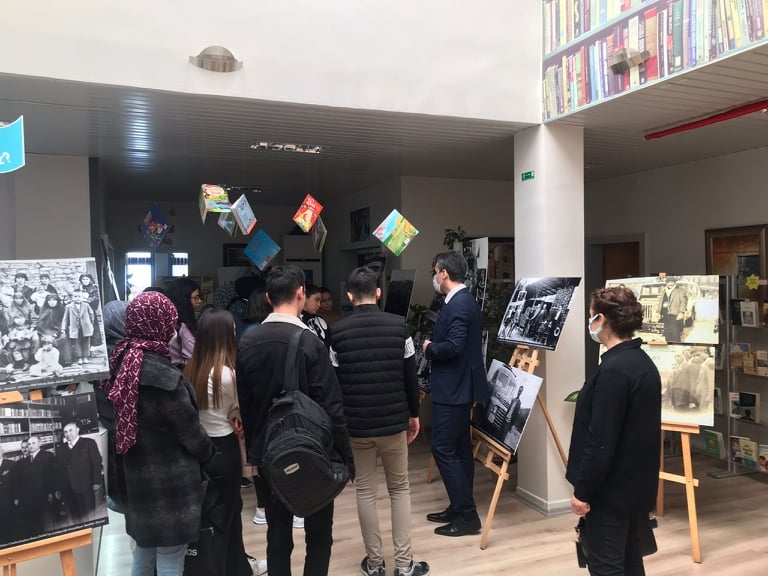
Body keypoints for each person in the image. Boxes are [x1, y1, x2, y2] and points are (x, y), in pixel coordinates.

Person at [236, 264, 354, 576]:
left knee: (277, 535)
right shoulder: (311, 343)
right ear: (301, 293)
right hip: (314, 453)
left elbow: (246, 407)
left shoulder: (247, 343)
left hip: (269, 453)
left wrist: (255, 454)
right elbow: (332, 406)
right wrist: (345, 456)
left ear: (267, 297)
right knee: (318, 536)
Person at [101, 291, 217, 576]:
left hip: (134, 478)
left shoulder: (119, 363)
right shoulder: (164, 376)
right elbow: (191, 433)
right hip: (171, 485)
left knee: (144, 551)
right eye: (171, 323)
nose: (175, 330)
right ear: (160, 325)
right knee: (171, 556)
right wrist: (211, 455)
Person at [330, 267, 429, 576]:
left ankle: (374, 564)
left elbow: (334, 384)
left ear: (349, 296)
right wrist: (414, 414)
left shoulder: (337, 333)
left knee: (365, 491)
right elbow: (410, 376)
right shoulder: (400, 327)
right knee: (399, 489)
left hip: (357, 425)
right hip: (394, 422)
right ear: (378, 292)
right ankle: (404, 564)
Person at [567, 286, 662, 576]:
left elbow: (600, 440)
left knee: (605, 565)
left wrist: (583, 491)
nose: (589, 322)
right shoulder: (642, 363)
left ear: (601, 320)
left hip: (610, 491)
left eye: (591, 316)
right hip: (634, 487)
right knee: (630, 560)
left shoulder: (615, 371)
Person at [184, 308, 267, 576]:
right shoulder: (227, 375)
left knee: (213, 513)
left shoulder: (191, 369)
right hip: (225, 449)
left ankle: (234, 565)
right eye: (232, 329)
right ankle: (233, 567)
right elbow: (240, 411)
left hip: (201, 449)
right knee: (229, 513)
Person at [422, 251, 488, 537]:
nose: (435, 277)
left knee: (442, 448)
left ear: (444, 273)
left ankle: (467, 515)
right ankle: (460, 507)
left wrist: (429, 349)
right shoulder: (460, 300)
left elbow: (454, 346)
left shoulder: (460, 304)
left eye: (436, 272)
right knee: (460, 450)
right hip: (458, 388)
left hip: (454, 390)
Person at [56, 422, 104, 523]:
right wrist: (59, 488)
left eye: (70, 430)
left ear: (77, 430)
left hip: (85, 487)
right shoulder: (61, 448)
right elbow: (58, 470)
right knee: (75, 517)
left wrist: (96, 481)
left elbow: (96, 462)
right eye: (65, 432)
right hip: (68, 489)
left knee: (88, 516)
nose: (68, 434)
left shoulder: (89, 443)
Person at [13, 435, 56, 538]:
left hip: (44, 494)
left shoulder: (48, 456)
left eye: (33, 443)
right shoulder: (26, 460)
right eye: (29, 444)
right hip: (30, 497)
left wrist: (51, 492)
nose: (31, 446)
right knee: (34, 523)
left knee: (46, 522)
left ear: (40, 443)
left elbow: (52, 475)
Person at [166, 277, 202, 368]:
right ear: (183, 299)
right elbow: (196, 357)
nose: (199, 301)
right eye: (196, 298)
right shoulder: (182, 327)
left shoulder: (168, 321)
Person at [61, 290, 95, 365]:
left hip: (85, 327)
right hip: (74, 328)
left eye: (79, 296)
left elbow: (91, 314)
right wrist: (63, 328)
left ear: (82, 297)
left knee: (86, 341)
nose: (77, 298)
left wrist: (90, 324)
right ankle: (79, 357)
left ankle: (85, 356)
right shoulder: (69, 306)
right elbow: (65, 318)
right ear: (72, 297)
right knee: (76, 342)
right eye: (75, 296)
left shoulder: (86, 305)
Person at [656, 277, 687, 342]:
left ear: (674, 283)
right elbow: (660, 302)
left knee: (675, 331)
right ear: (666, 283)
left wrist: (681, 312)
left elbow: (683, 302)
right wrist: (658, 312)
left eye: (672, 282)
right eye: (668, 282)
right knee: (667, 331)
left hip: (675, 314)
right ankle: (669, 344)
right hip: (665, 314)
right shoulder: (664, 291)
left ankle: (676, 345)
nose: (670, 284)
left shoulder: (680, 290)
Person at [0, 445, 14, 544]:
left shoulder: (10, 464)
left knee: (8, 524)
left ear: (2, 451)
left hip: (7, 499)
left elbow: (15, 482)